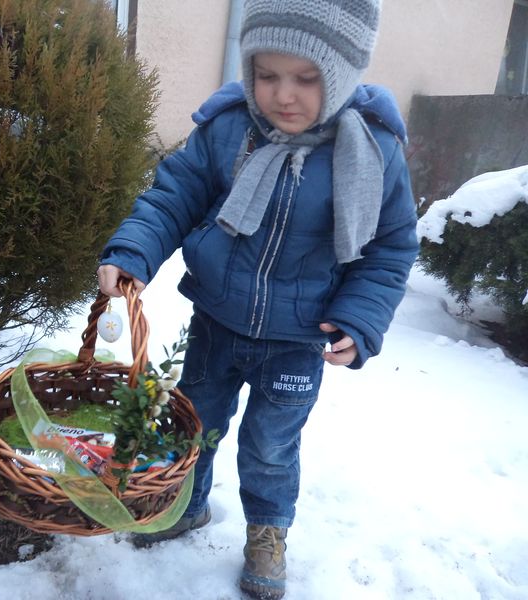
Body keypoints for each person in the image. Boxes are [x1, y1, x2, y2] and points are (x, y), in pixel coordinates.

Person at [97, 1, 418, 598]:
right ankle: (183, 504)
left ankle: (268, 532)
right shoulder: (228, 129)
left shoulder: (372, 152)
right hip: (217, 322)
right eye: (267, 74)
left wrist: (361, 319)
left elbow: (390, 248)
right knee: (194, 423)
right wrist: (133, 251)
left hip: (299, 340)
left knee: (271, 446)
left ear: (344, 74)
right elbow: (173, 197)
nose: (282, 95)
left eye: (307, 77)